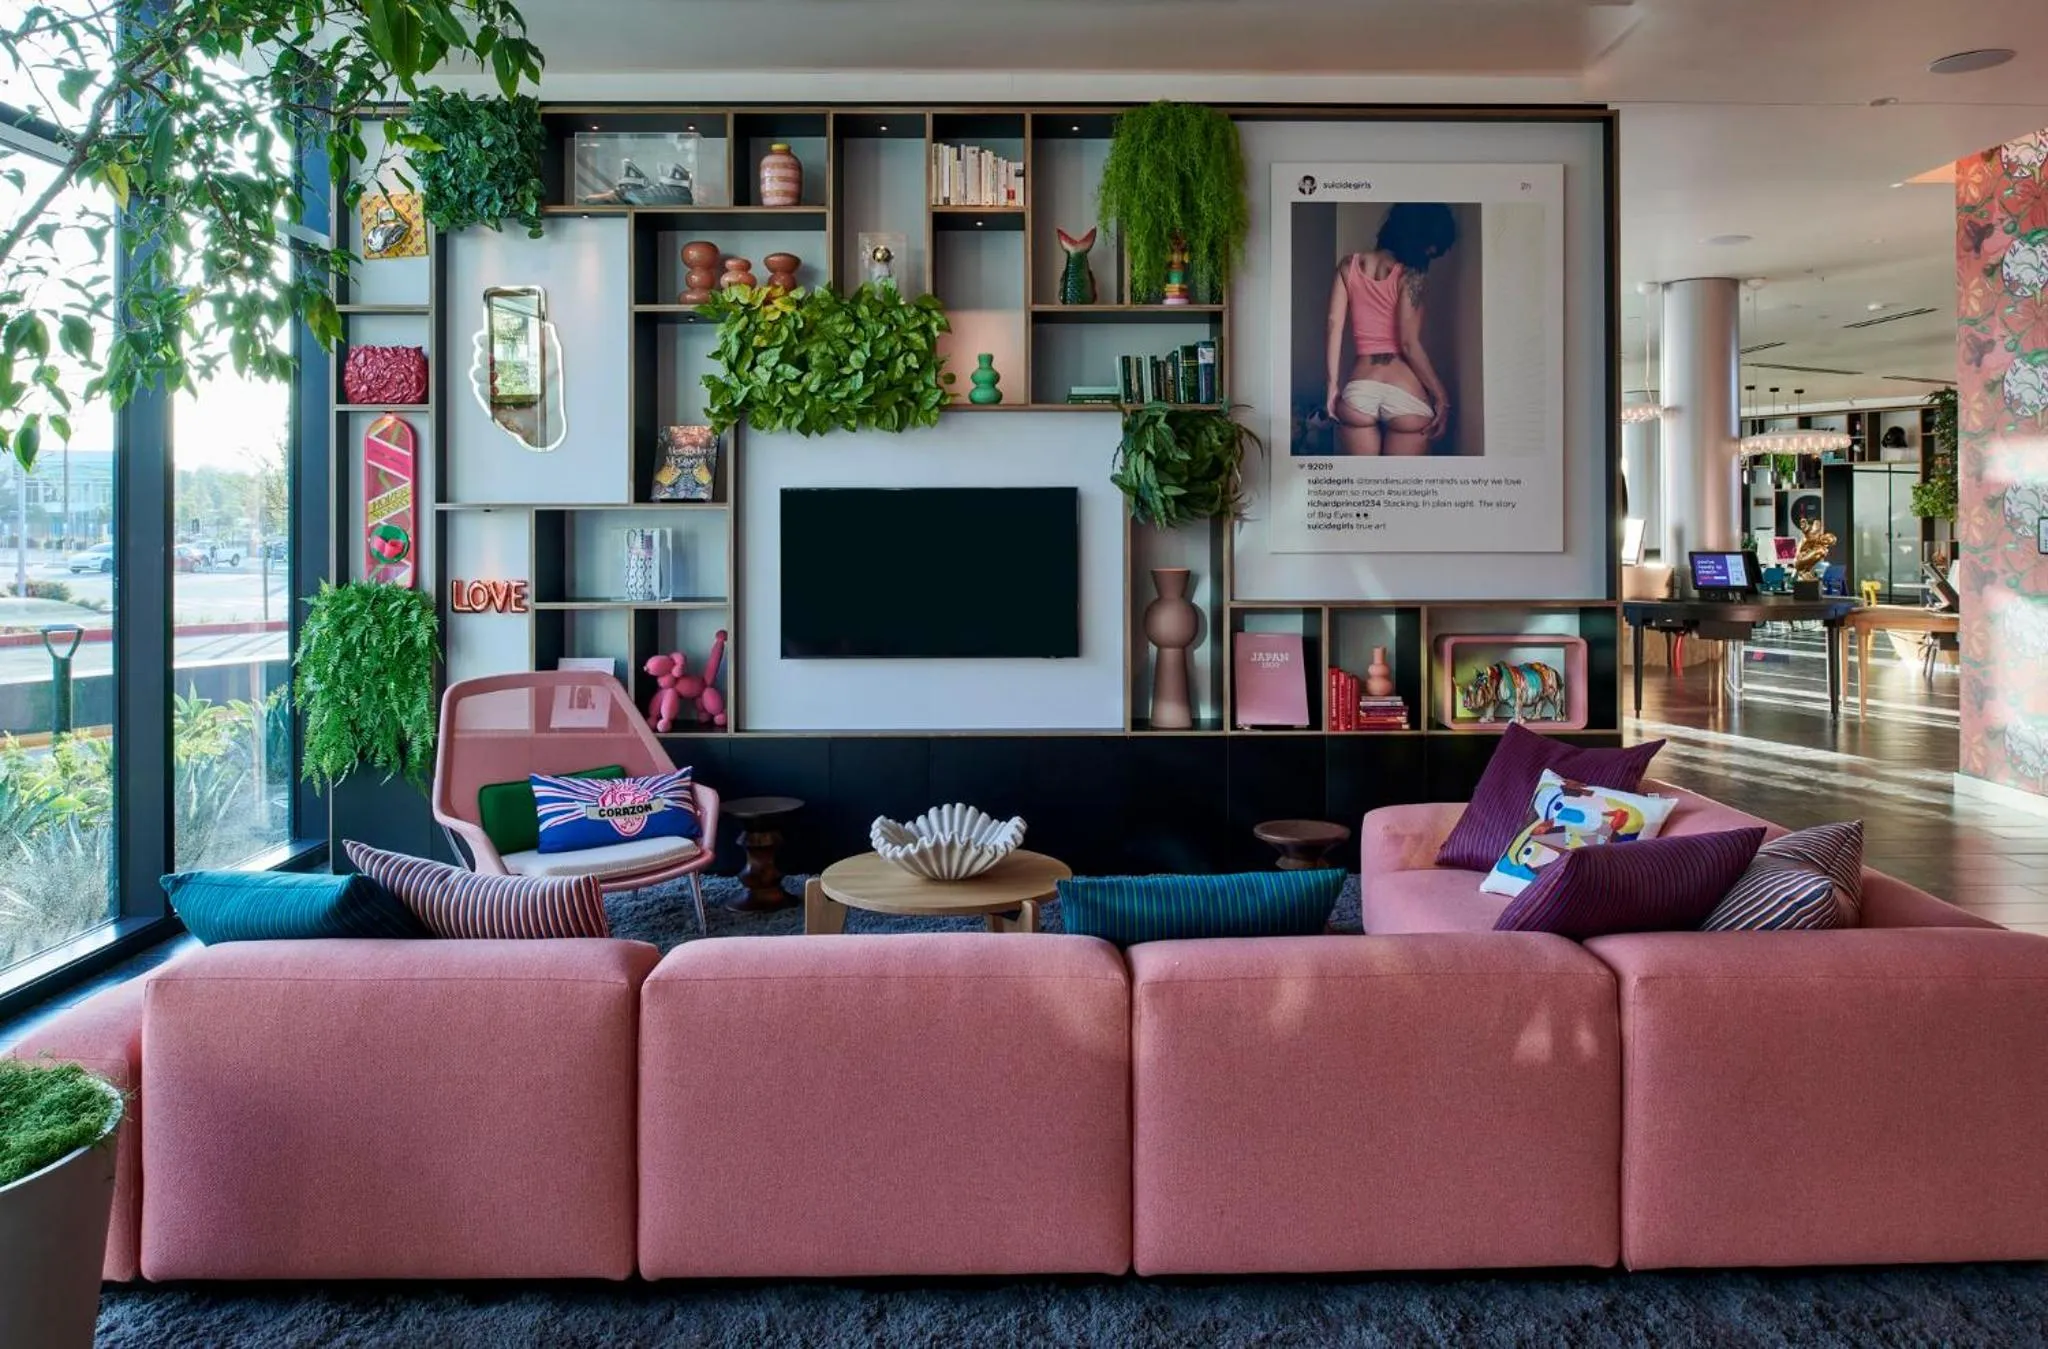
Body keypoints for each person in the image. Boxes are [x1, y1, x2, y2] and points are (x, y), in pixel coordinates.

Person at [1323, 202, 1457, 456]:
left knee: (1365, 491)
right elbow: (1408, 344)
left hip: (1360, 388)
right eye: (1430, 248)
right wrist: (1441, 397)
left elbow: (1333, 325)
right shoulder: (1411, 274)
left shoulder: (1348, 265)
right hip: (1403, 390)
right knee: (1400, 491)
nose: (1429, 254)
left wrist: (1332, 386)